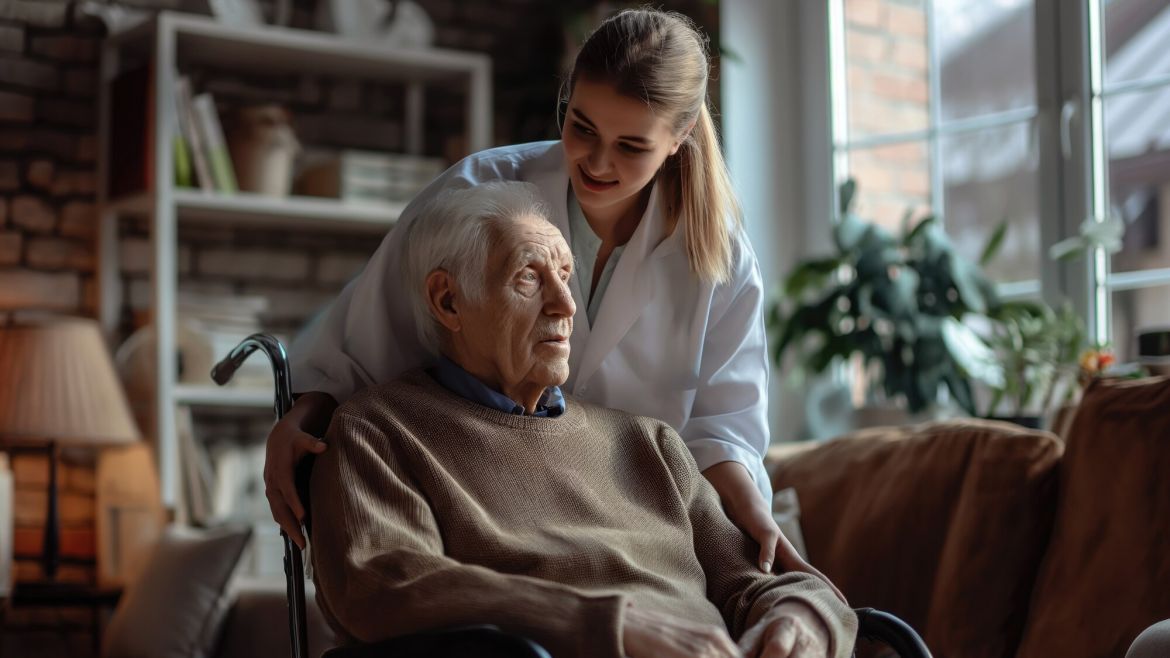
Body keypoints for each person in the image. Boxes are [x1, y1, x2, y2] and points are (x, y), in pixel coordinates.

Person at [268, 7, 840, 596]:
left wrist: (757, 521)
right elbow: (365, 346)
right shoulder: (476, 193)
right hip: (483, 514)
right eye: (582, 126)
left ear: (680, 138)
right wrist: (302, 419)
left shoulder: (718, 255)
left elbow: (722, 430)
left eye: (630, 146)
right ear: (565, 98)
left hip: (626, 534)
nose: (596, 162)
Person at [309, 182, 856, 658]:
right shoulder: (379, 432)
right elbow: (382, 583)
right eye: (529, 277)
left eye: (566, 274)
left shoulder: (650, 443)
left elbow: (754, 583)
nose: (566, 305)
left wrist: (805, 620)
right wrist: (612, 627)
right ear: (448, 300)